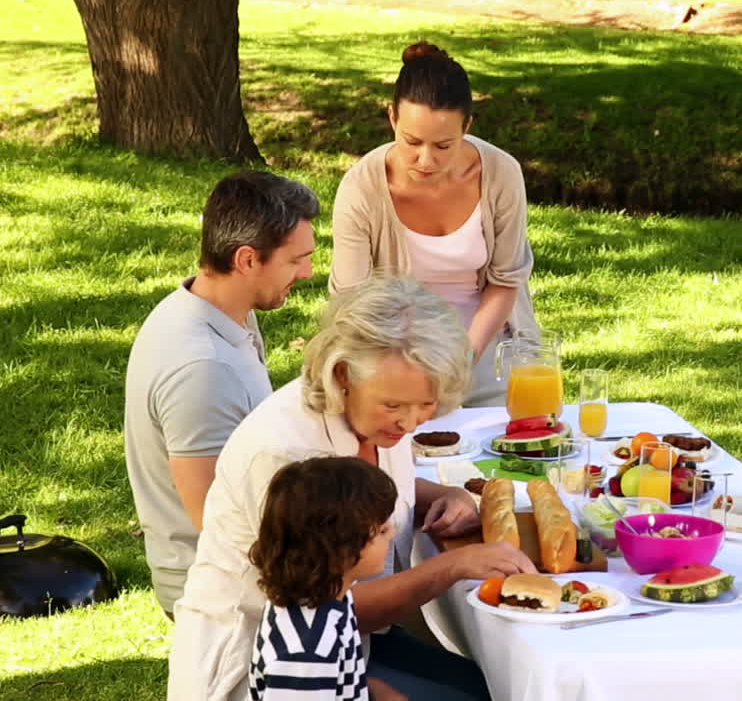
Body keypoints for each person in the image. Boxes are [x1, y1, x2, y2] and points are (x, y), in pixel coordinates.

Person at [168, 276, 536, 701]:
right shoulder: (286, 455)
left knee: (491, 686)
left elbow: (366, 495)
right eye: (394, 405)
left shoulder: (372, 419)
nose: (411, 423)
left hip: (352, 644)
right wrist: (453, 566)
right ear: (343, 374)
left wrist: (439, 496)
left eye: (427, 404)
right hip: (276, 667)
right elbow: (328, 606)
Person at [124, 170, 318, 617]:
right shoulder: (203, 368)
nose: (307, 273)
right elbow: (217, 521)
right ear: (247, 259)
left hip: (252, 564)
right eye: (295, 260)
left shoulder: (214, 311)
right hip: (224, 594)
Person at [329, 40, 540, 407]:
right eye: (412, 141)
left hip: (489, 348)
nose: (425, 160)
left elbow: (506, 282)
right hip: (395, 355)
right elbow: (352, 304)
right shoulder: (361, 189)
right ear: (392, 117)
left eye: (444, 145)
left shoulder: (502, 173)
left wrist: (463, 359)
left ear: (467, 126)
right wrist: (407, 374)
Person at [247, 456, 403, 701]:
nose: (393, 532)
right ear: (338, 549)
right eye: (382, 530)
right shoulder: (306, 653)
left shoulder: (332, 594)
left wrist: (372, 690)